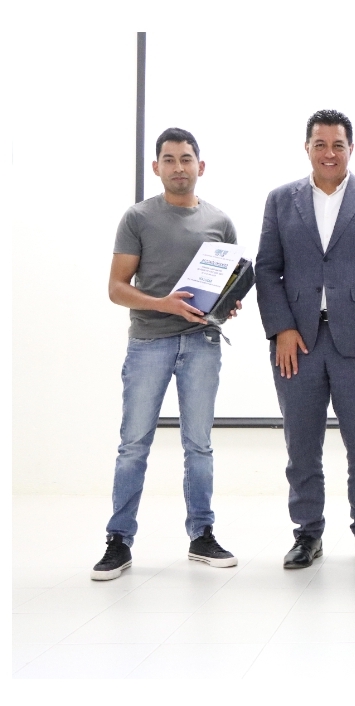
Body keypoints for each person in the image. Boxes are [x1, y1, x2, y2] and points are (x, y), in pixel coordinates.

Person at [92, 128, 240, 581]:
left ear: (201, 166)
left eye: (186, 158)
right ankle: (119, 541)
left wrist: (227, 304)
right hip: (149, 343)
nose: (179, 167)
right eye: (170, 159)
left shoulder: (220, 222)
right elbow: (116, 289)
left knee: (199, 445)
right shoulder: (137, 218)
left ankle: (202, 535)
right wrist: (164, 304)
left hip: (202, 344)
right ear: (156, 167)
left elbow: (226, 286)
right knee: (133, 445)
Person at [255, 109, 355, 570]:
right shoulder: (281, 200)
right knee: (302, 446)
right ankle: (307, 534)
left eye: (338, 145)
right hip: (296, 342)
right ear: (307, 148)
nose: (329, 153)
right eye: (320, 144)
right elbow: (266, 269)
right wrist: (281, 328)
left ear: (350, 148)